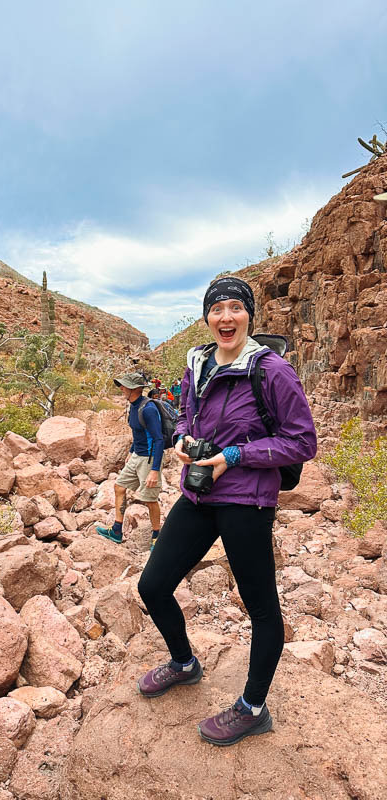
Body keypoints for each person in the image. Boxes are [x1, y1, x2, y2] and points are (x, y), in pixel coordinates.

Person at [136, 277, 317, 746]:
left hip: (247, 498)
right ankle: (184, 663)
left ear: (249, 315)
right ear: (207, 317)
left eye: (236, 308)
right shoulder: (196, 363)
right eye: (217, 309)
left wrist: (233, 457)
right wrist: (181, 440)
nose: (226, 317)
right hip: (200, 494)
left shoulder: (272, 370)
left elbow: (302, 441)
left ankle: (253, 707)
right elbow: (187, 416)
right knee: (152, 585)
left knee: (260, 607)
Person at [96, 372, 164, 549]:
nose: (121, 388)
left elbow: (159, 440)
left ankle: (157, 537)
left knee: (149, 499)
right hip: (137, 456)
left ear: (134, 389)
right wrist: (131, 452)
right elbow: (138, 433)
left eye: (123, 386)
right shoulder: (133, 406)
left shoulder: (147, 409)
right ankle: (117, 531)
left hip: (149, 459)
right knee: (119, 487)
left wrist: (154, 470)